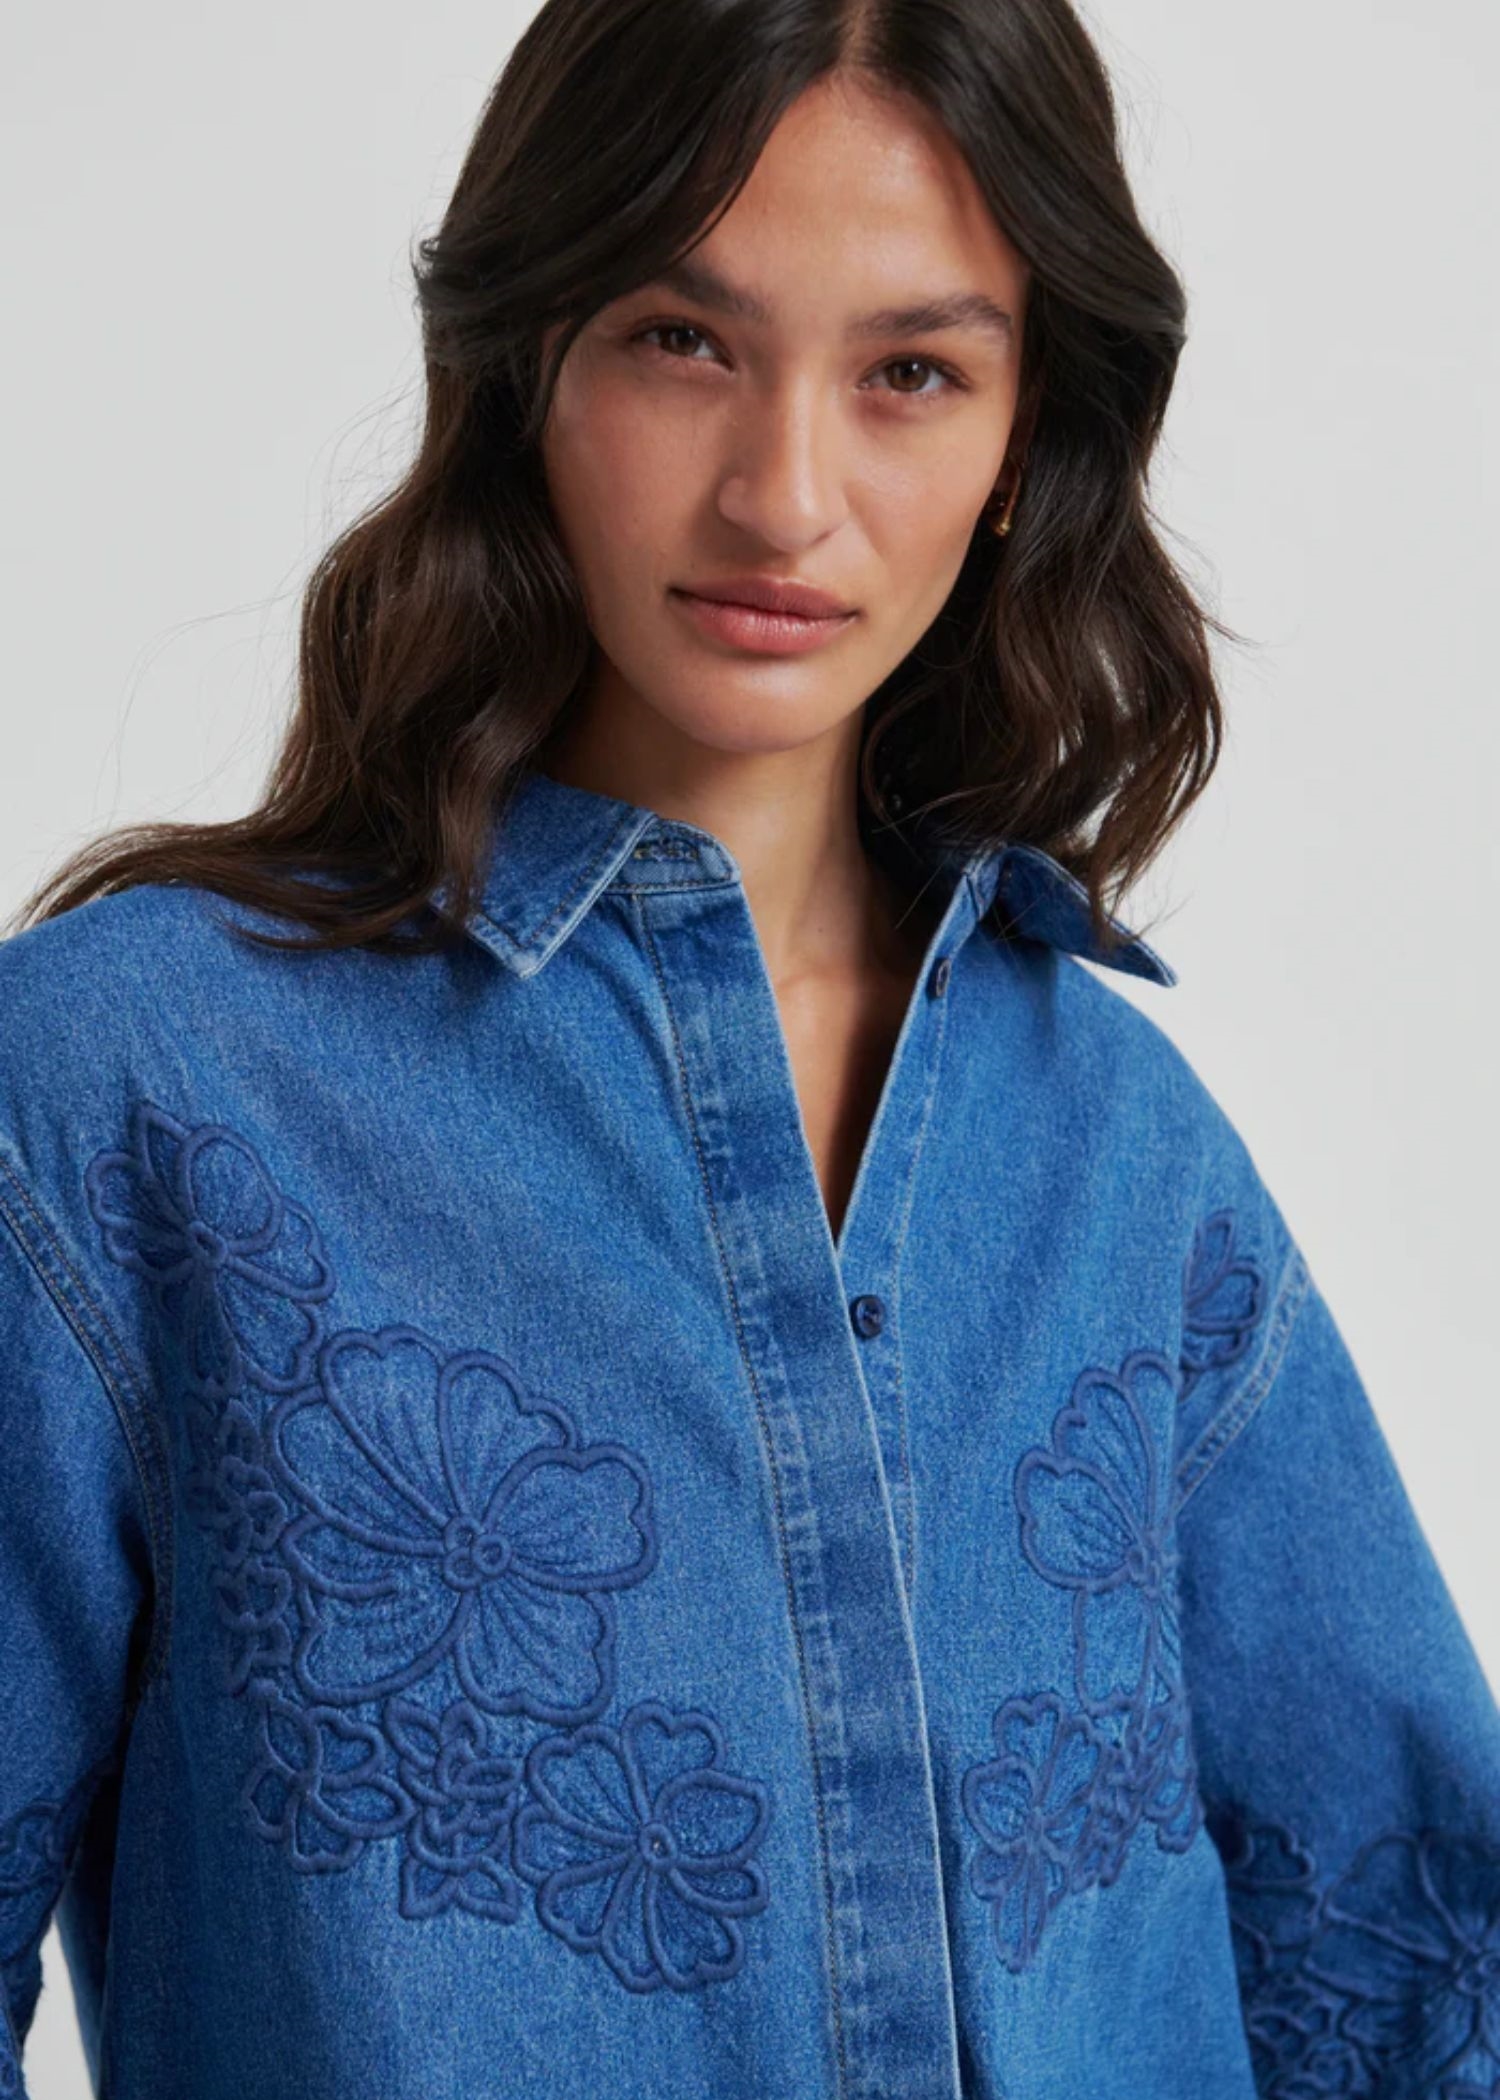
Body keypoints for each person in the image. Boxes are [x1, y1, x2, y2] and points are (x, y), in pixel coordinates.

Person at [2, 2, 1496, 2095]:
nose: (785, 496)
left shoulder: (1119, 1157)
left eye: (912, 372)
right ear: (527, 365)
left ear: (1022, 444)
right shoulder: (129, 1094)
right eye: (682, 340)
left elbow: (1423, 1979)